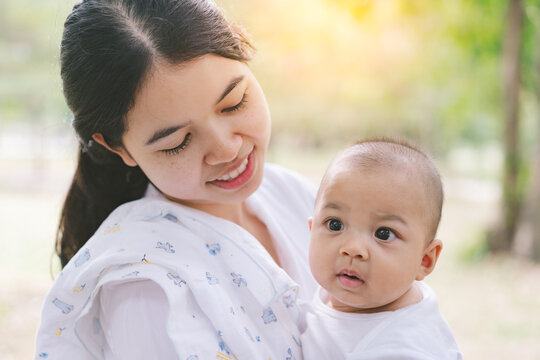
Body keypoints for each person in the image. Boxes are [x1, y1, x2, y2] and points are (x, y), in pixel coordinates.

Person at [34, 0, 317, 359]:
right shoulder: (146, 290)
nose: (226, 149)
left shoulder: (295, 193)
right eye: (177, 143)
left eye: (234, 103)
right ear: (119, 148)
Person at [301, 139, 462, 359]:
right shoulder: (334, 294)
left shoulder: (402, 350)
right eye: (334, 224)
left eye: (383, 234)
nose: (352, 249)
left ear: (424, 260)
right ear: (311, 231)